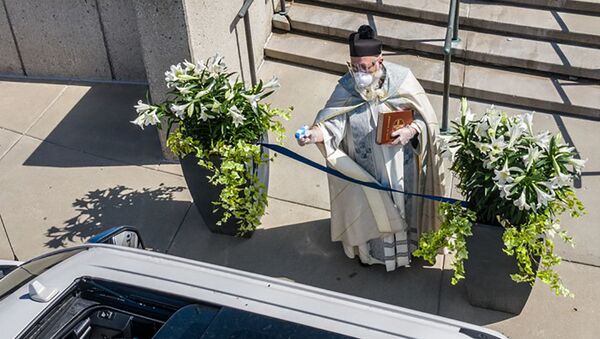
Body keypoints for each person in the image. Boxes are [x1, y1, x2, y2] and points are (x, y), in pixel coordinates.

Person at [297, 25, 447, 271]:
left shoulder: (403, 80)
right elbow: (333, 123)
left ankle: (407, 251)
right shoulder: (347, 87)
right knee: (371, 209)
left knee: (401, 207)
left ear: (380, 61)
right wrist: (314, 134)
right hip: (365, 169)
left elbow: (426, 119)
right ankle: (372, 256)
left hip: (401, 168)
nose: (361, 73)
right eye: (355, 67)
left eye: (367, 66)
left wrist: (411, 131)